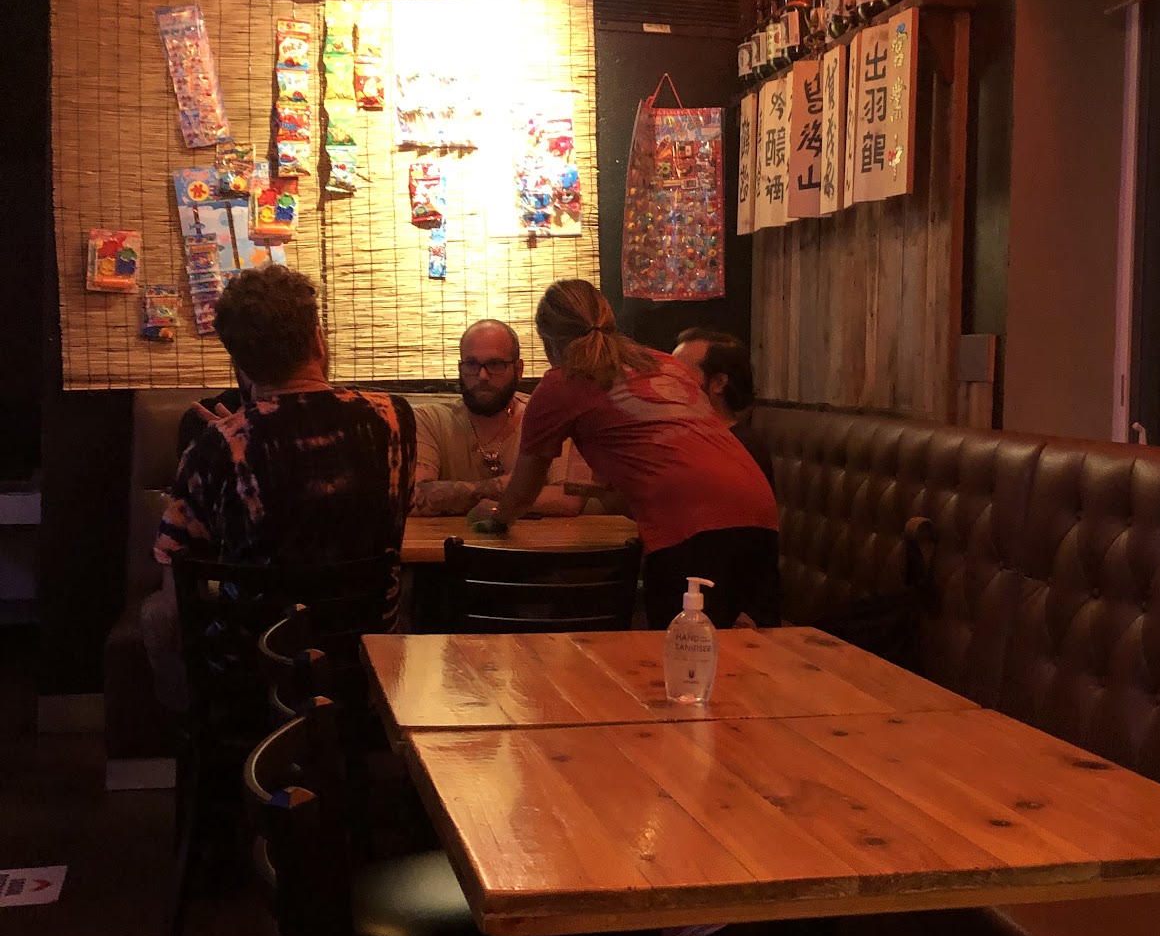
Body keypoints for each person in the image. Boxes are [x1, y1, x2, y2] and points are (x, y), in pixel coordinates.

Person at [142, 266, 416, 707]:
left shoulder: (215, 447)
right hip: (366, 657)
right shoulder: (393, 418)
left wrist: (233, 439)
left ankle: (206, 737)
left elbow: (177, 596)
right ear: (318, 340)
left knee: (155, 615)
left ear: (240, 364)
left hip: (257, 669)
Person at [484, 280, 781, 630]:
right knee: (751, 649)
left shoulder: (561, 383)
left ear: (548, 342)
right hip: (759, 507)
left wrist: (496, 518)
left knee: (681, 649)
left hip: (689, 522)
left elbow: (523, 491)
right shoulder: (666, 364)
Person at [410, 317, 589, 517]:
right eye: (471, 364)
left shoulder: (549, 417)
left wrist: (475, 500)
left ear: (518, 370)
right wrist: (508, 487)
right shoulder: (429, 420)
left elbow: (568, 499)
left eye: (495, 364)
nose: (482, 376)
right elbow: (412, 499)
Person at [672, 327, 773, 489]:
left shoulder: (743, 450)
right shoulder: (680, 437)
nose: (669, 379)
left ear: (718, 383)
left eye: (680, 372)